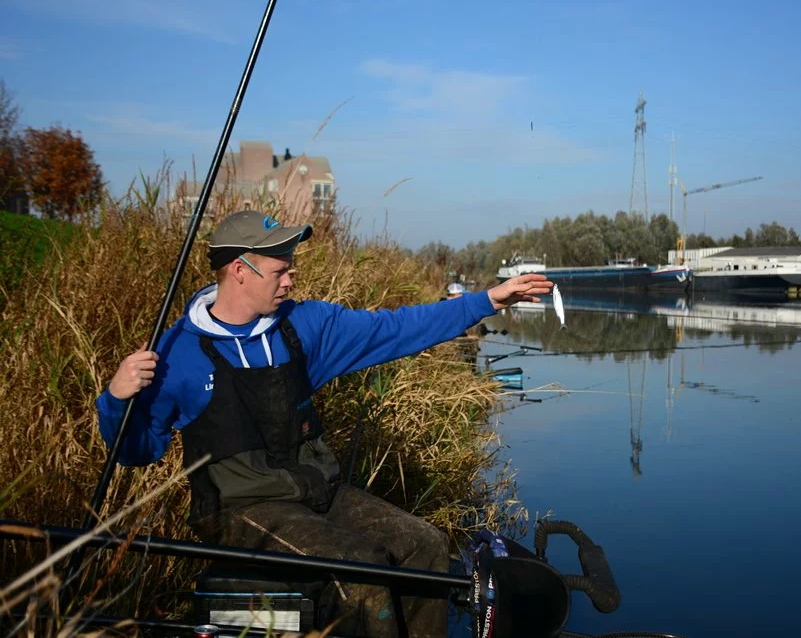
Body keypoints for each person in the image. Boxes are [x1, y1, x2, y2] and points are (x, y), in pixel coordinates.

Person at [96, 210, 551, 637]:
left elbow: (396, 328)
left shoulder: (304, 325)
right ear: (239, 271)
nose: (292, 279)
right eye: (280, 270)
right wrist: (117, 399)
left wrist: (487, 301)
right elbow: (136, 451)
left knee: (424, 545)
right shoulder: (177, 352)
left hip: (318, 493)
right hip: (240, 509)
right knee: (360, 568)